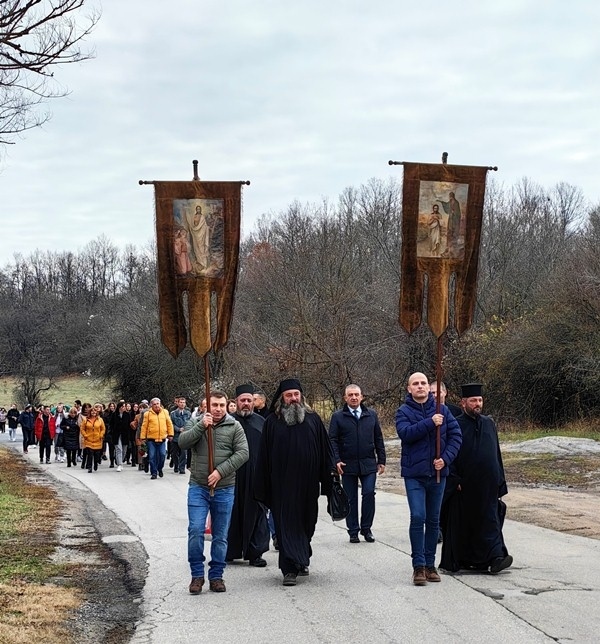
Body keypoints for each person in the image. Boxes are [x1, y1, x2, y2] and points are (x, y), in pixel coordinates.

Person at [254, 378, 334, 587]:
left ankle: (302, 556)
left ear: (301, 396)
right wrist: (262, 483)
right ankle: (289, 569)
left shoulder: (314, 419)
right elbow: (263, 455)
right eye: (289, 395)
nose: (293, 399)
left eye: (296, 395)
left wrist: (331, 473)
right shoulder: (272, 422)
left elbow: (325, 450)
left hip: (308, 485)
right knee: (285, 524)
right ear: (282, 398)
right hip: (282, 485)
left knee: (308, 523)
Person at [179, 390, 249, 594]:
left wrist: (220, 472)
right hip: (198, 487)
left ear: (227, 406)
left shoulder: (234, 426)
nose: (218, 409)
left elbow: (243, 453)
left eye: (221, 405)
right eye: (214, 405)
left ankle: (217, 575)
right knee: (195, 530)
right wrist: (201, 427)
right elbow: (183, 442)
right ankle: (197, 575)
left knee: (220, 535)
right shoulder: (197, 422)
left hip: (225, 488)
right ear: (206, 406)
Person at [395, 372, 462, 586]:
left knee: (434, 519)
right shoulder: (403, 411)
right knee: (418, 516)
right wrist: (430, 423)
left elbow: (456, 437)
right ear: (409, 389)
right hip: (414, 474)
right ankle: (418, 566)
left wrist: (446, 459)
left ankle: (431, 565)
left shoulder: (442, 410)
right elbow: (405, 433)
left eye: (423, 383)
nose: (420, 386)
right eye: (416, 384)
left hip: (437, 474)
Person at [439, 383, 513, 575]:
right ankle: (466, 560)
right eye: (473, 401)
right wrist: (454, 479)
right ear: (464, 403)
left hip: (488, 483)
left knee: (490, 521)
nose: (477, 404)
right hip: (466, 484)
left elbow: (495, 452)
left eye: (479, 400)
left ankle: (496, 557)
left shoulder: (489, 423)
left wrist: (500, 479)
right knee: (465, 523)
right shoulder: (456, 424)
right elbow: (450, 453)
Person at [329, 384, 386, 543]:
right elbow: (332, 440)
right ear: (345, 398)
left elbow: (378, 438)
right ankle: (353, 531)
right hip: (348, 464)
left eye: (356, 394)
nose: (354, 397)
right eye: (350, 395)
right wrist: (336, 460)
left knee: (369, 493)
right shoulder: (338, 416)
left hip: (368, 463)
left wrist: (381, 460)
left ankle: (366, 529)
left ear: (362, 397)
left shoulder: (371, 415)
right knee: (350, 498)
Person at [227, 384, 270, 567]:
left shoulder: (262, 422)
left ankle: (255, 553)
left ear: (254, 402)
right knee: (231, 513)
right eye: (242, 400)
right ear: (236, 402)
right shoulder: (227, 422)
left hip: (256, 476)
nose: (245, 404)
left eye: (249, 400)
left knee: (258, 513)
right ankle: (230, 550)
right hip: (232, 476)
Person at [140, 398, 174, 480]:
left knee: (162, 455)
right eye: (154, 404)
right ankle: (154, 473)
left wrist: (170, 434)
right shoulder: (147, 414)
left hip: (162, 439)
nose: (156, 406)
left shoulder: (165, 412)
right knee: (152, 456)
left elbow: (169, 424)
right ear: (151, 405)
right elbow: (144, 426)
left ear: (160, 404)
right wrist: (143, 437)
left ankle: (160, 468)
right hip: (151, 439)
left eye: (157, 404)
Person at [80, 404, 106, 473]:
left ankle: (95, 464)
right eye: (92, 411)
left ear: (97, 412)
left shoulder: (100, 420)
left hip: (98, 440)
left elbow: (103, 429)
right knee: (90, 454)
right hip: (89, 440)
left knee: (97, 455)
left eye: (95, 411)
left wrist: (101, 435)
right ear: (90, 412)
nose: (93, 412)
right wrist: (85, 435)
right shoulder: (86, 420)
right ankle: (89, 467)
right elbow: (82, 428)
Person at [169, 395, 191, 475]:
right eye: (181, 402)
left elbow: (190, 423)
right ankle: (176, 465)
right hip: (175, 436)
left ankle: (182, 468)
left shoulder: (188, 413)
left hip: (184, 436)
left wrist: (185, 429)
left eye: (183, 403)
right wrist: (178, 429)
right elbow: (171, 423)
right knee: (174, 453)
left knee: (183, 453)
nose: (182, 404)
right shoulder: (173, 414)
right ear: (177, 403)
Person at [111, 401, 132, 472]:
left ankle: (121, 461)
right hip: (116, 434)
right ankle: (119, 464)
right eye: (123, 406)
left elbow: (129, 425)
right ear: (120, 407)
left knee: (124, 450)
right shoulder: (114, 414)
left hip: (125, 434)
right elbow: (111, 425)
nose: (124, 408)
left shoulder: (127, 415)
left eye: (125, 406)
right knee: (118, 449)